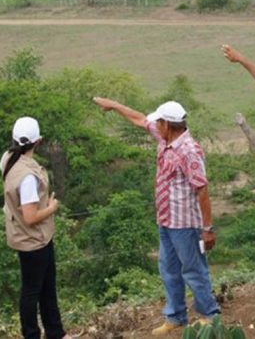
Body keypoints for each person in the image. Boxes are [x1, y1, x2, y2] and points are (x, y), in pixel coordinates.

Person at [92, 97, 220, 335]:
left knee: (193, 269)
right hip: (166, 219)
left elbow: (202, 190)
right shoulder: (166, 138)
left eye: (158, 121)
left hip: (185, 223)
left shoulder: (189, 151)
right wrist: (114, 105)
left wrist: (208, 228)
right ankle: (175, 316)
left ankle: (209, 315)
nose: (154, 125)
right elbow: (140, 119)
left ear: (167, 125)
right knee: (168, 268)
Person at [0, 117, 71, 339]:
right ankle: (32, 334)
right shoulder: (27, 177)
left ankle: (55, 332)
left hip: (28, 236)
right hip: (33, 239)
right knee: (33, 291)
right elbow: (30, 217)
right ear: (38, 141)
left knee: (45, 287)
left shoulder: (9, 159)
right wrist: (51, 208)